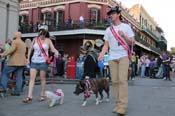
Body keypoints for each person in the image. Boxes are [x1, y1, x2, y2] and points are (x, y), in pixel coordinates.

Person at [98, 6, 134, 115]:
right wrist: (101, 54)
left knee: (122, 80)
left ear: (118, 14)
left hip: (123, 56)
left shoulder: (126, 27)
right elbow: (106, 45)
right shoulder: (108, 30)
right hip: (112, 57)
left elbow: (132, 42)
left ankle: (122, 106)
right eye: (110, 14)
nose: (111, 15)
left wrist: (124, 36)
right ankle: (117, 104)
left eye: (113, 13)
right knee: (114, 82)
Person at [23, 25, 59, 103]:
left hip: (43, 61)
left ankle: (42, 94)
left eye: (43, 34)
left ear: (45, 33)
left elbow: (52, 49)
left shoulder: (48, 40)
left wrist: (56, 52)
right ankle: (29, 96)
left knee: (42, 78)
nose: (41, 35)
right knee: (32, 79)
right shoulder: (35, 40)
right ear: (39, 33)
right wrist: (28, 58)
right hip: (34, 61)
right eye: (40, 33)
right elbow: (30, 49)